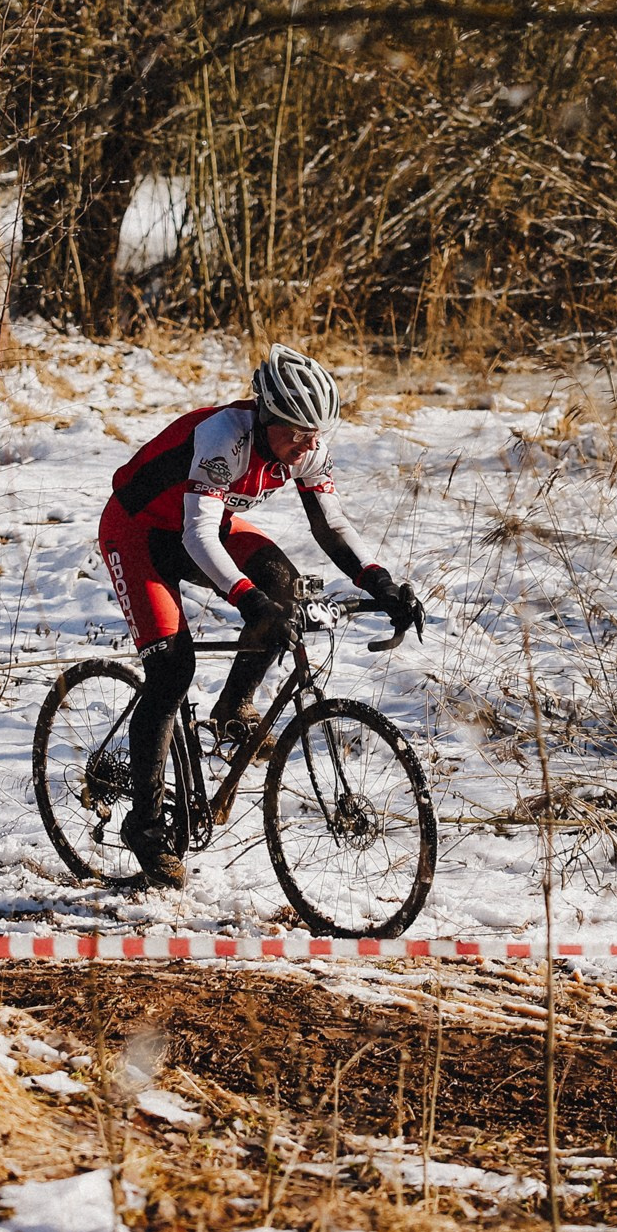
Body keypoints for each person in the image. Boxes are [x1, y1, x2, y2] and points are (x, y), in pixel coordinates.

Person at [97, 344, 424, 888]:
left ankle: (232, 708)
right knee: (172, 673)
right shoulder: (224, 436)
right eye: (295, 432)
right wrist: (248, 600)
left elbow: (331, 524)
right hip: (138, 533)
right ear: (266, 416)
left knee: (285, 588)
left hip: (197, 528)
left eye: (315, 434)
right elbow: (198, 535)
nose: (306, 445)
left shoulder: (307, 447)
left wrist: (378, 580)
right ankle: (146, 827)